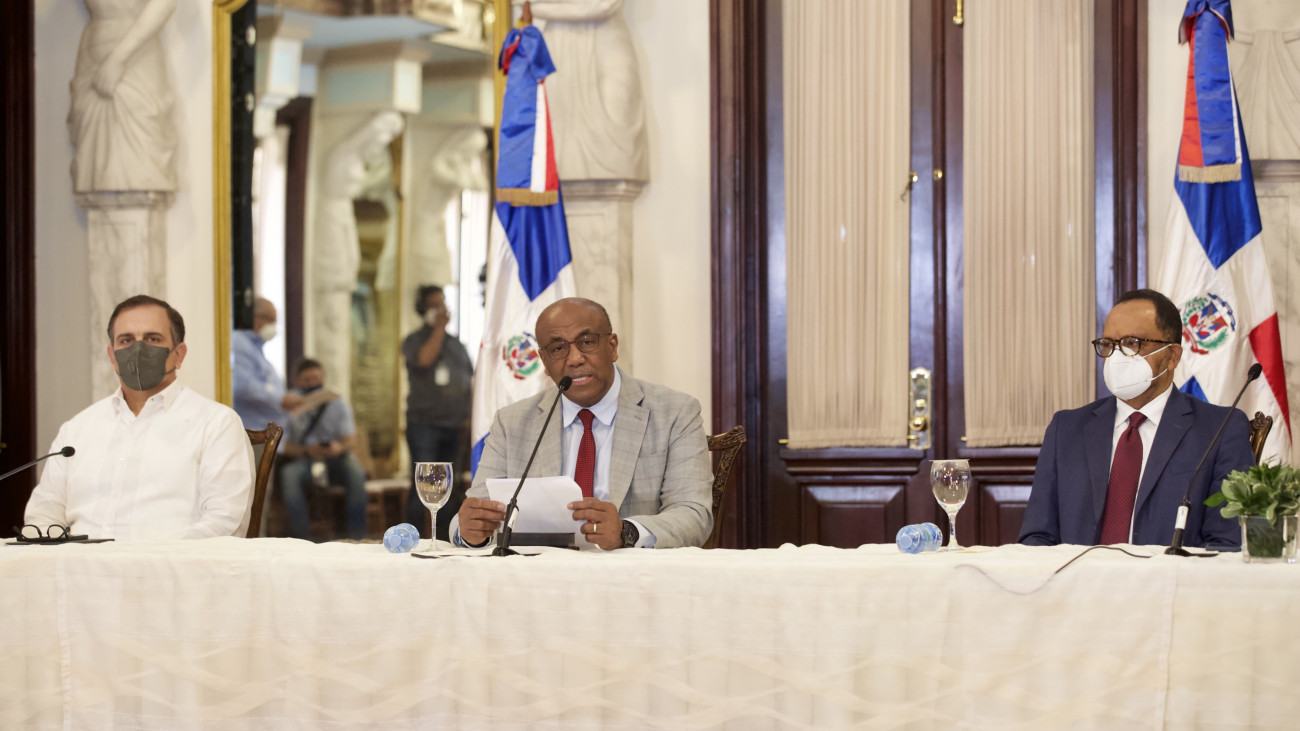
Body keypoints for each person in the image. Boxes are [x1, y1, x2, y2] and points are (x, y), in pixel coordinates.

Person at [454, 297, 713, 550]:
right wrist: (470, 532)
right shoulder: (511, 423)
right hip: (540, 572)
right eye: (558, 349)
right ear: (544, 362)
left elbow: (694, 514)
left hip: (633, 572)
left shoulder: (674, 413)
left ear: (612, 346)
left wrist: (626, 531)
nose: (575, 358)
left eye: (587, 342)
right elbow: (470, 515)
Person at [1018, 289, 1256, 548]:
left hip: (1172, 574)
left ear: (1172, 356)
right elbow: (1037, 537)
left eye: (1132, 343)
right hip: (1080, 574)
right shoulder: (1066, 429)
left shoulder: (1220, 429)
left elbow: (1226, 543)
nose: (1116, 356)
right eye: (1108, 344)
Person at [24, 294, 254, 539]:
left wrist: (147, 557)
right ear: (112, 357)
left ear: (179, 354)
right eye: (126, 340)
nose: (138, 350)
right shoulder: (76, 430)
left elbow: (225, 524)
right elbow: (43, 514)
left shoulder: (217, 424)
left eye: (152, 339)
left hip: (171, 562)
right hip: (78, 562)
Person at [402, 285, 473, 538]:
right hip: (424, 425)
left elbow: (468, 381)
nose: (441, 309)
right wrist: (439, 329)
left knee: (448, 488)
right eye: (434, 305)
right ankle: (412, 538)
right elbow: (424, 360)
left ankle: (443, 540)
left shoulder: (456, 345)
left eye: (443, 303)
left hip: (454, 425)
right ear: (422, 309)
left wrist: (469, 416)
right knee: (422, 485)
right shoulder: (414, 340)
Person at [278, 359, 368, 541]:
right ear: (297, 381)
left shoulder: (338, 403)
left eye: (316, 378)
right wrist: (306, 450)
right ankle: (301, 538)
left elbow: (351, 441)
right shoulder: (288, 404)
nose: (313, 383)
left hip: (336, 459)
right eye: (307, 380)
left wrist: (338, 447)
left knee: (356, 473)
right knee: (289, 475)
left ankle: (357, 537)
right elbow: (282, 446)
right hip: (305, 459)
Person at [232, 297, 302, 431]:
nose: (273, 325)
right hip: (252, 431)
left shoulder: (256, 347)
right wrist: (280, 399)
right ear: (254, 317)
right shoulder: (239, 343)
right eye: (270, 319)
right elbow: (244, 386)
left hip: (267, 431)